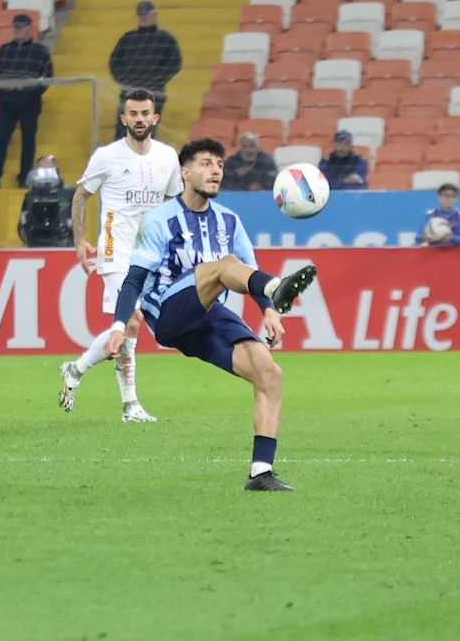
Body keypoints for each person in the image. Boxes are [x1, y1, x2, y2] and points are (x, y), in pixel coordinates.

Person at [105, 137, 317, 492]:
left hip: (206, 315)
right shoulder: (160, 220)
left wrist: (269, 312)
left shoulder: (229, 221)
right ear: (185, 174)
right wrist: (118, 325)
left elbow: (249, 271)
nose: (215, 170)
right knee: (223, 266)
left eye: (219, 164)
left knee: (270, 374)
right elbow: (135, 279)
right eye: (206, 164)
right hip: (168, 314)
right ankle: (277, 287)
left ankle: (260, 473)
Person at [60, 88, 183, 423]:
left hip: (151, 253)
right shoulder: (107, 156)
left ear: (155, 118)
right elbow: (81, 194)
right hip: (115, 250)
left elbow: (174, 204)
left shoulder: (168, 157)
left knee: (131, 329)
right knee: (131, 320)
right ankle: (130, 405)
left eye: (145, 113)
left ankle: (77, 368)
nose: (140, 119)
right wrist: (79, 240)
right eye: (134, 114)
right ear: (124, 118)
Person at [0, 14, 54, 188]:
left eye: (22, 26)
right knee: (0, 141)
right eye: (16, 27)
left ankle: (25, 177)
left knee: (28, 141)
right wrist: (3, 95)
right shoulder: (4, 49)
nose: (19, 30)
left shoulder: (40, 50)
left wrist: (31, 95)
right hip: (7, 103)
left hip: (30, 102)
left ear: (30, 27)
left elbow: (48, 77)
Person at [109, 0, 182, 140]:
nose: (143, 17)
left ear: (154, 14)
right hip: (130, 92)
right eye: (140, 14)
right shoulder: (128, 38)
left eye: (145, 14)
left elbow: (175, 63)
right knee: (123, 134)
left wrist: (156, 81)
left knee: (146, 134)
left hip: (154, 93)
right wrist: (126, 81)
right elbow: (114, 63)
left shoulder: (165, 39)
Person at [18, 155, 75, 247]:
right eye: (41, 169)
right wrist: (28, 241)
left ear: (56, 170)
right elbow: (22, 222)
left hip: (63, 242)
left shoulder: (69, 192)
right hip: (35, 242)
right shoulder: (30, 195)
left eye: (49, 169)